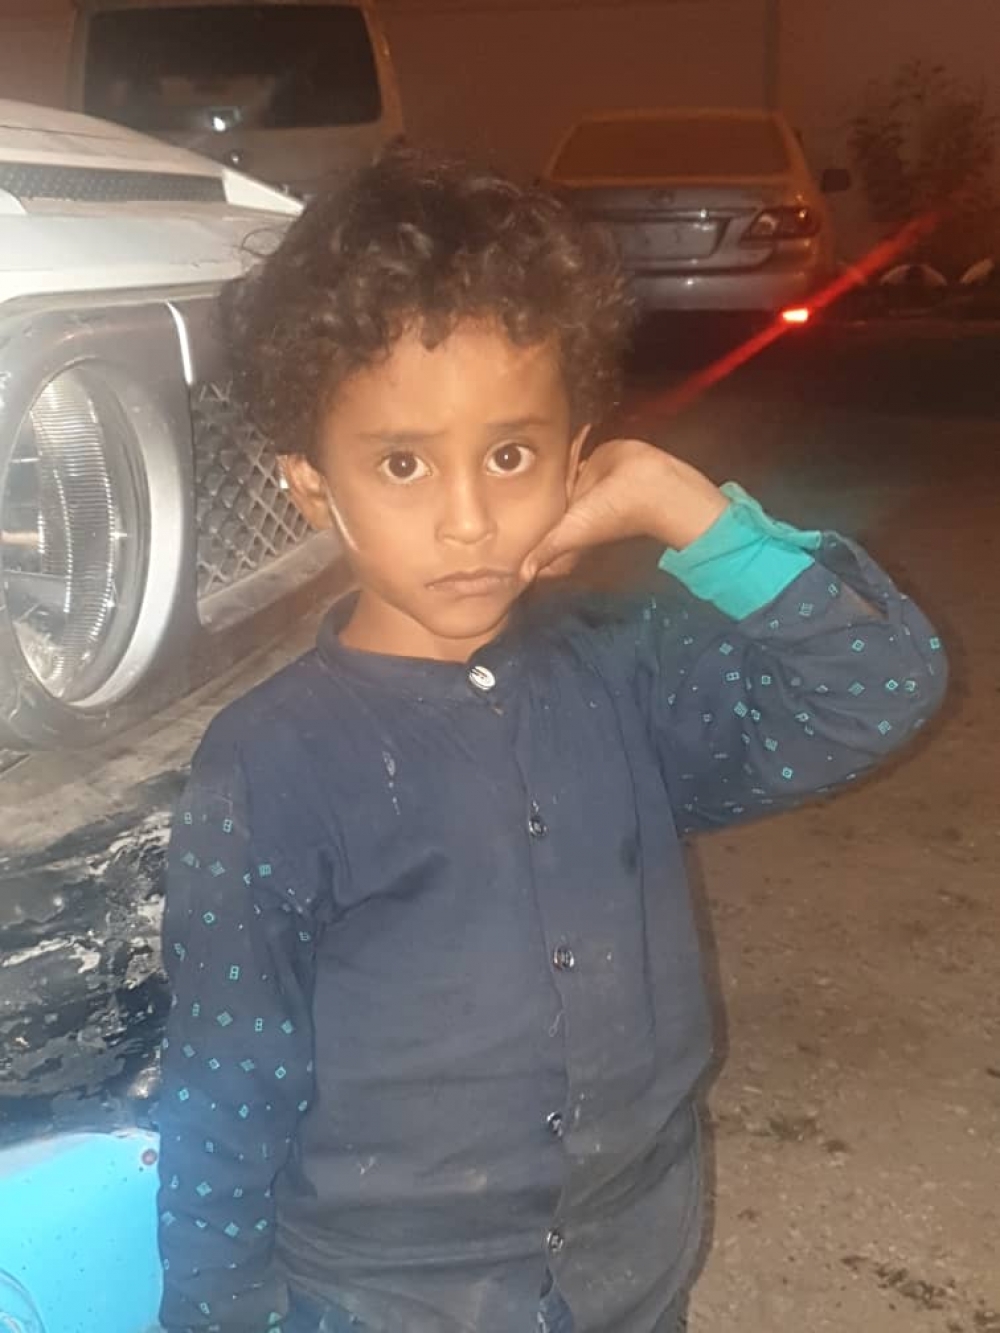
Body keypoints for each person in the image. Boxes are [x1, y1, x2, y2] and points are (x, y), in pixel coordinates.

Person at [155, 144, 947, 1333]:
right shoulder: (271, 763)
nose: (469, 519)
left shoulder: (627, 673)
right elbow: (227, 1078)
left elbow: (878, 683)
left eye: (511, 455)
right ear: (314, 487)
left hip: (633, 1263)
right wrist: (218, 1312)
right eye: (403, 463)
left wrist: (684, 508)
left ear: (575, 462)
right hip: (387, 1296)